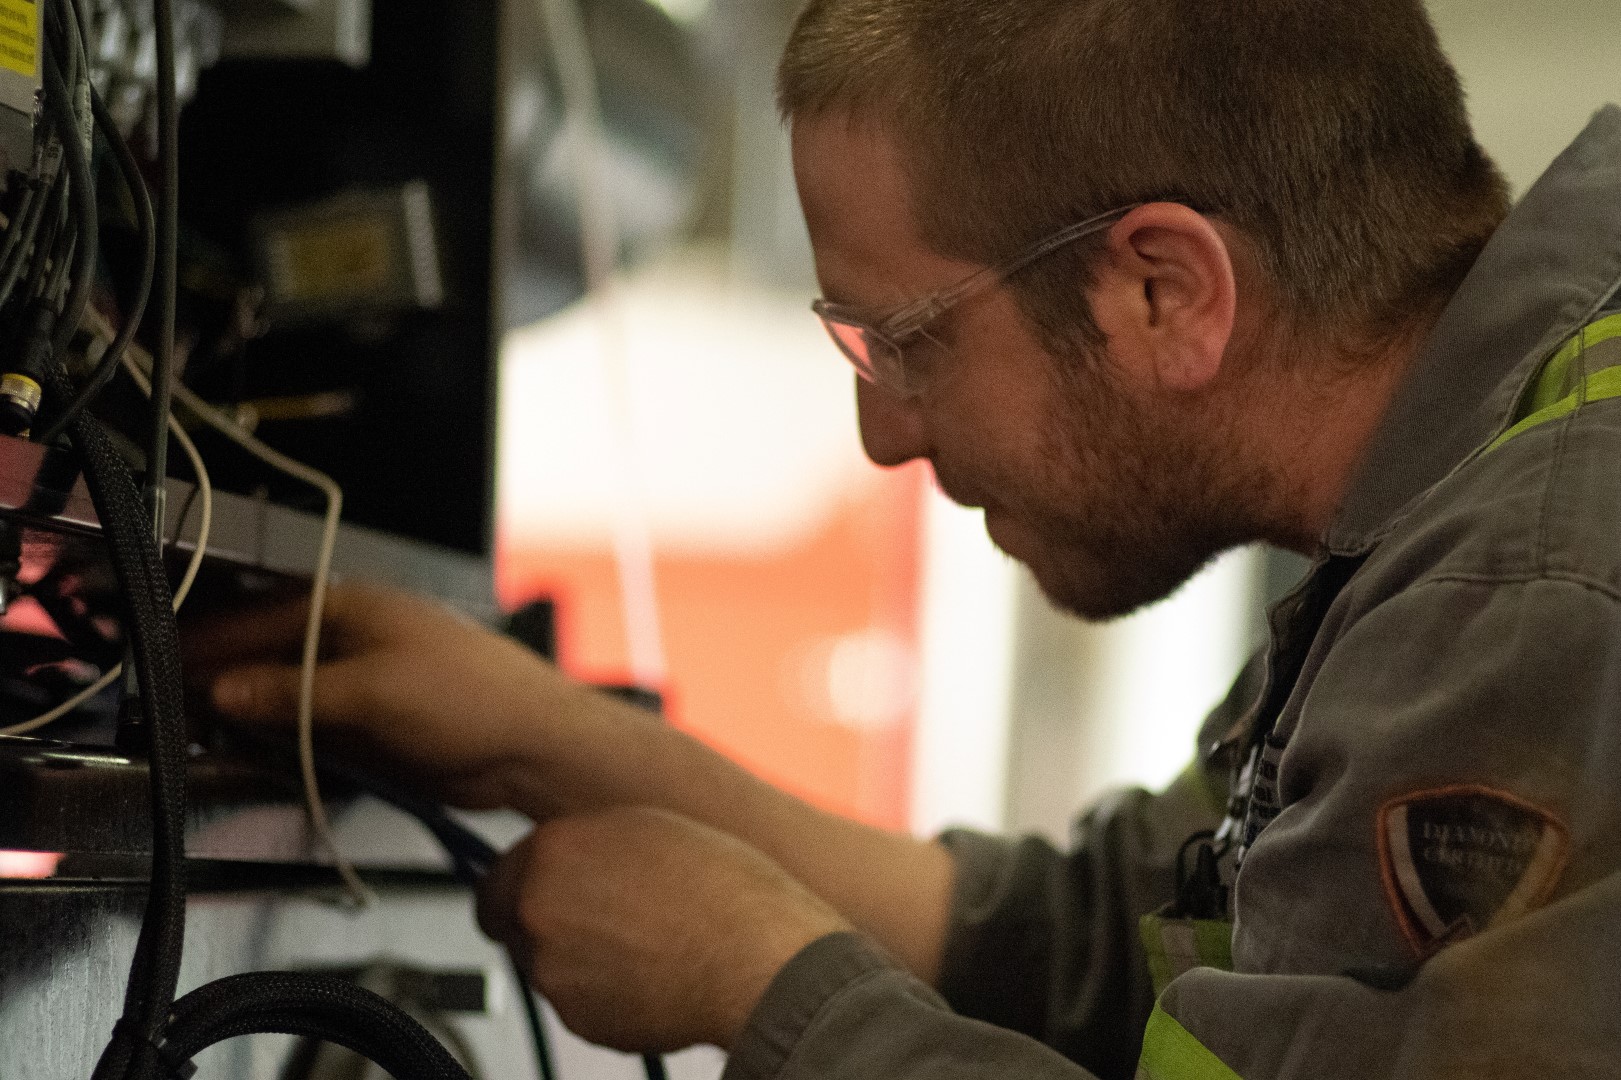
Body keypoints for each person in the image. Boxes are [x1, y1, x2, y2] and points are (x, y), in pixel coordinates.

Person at [185, 0, 1621, 1076]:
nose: (883, 437)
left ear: (1164, 293)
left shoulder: (1540, 585)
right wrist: (549, 740)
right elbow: (1098, 940)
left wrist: (767, 990)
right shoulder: (1450, 510)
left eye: (899, 342)